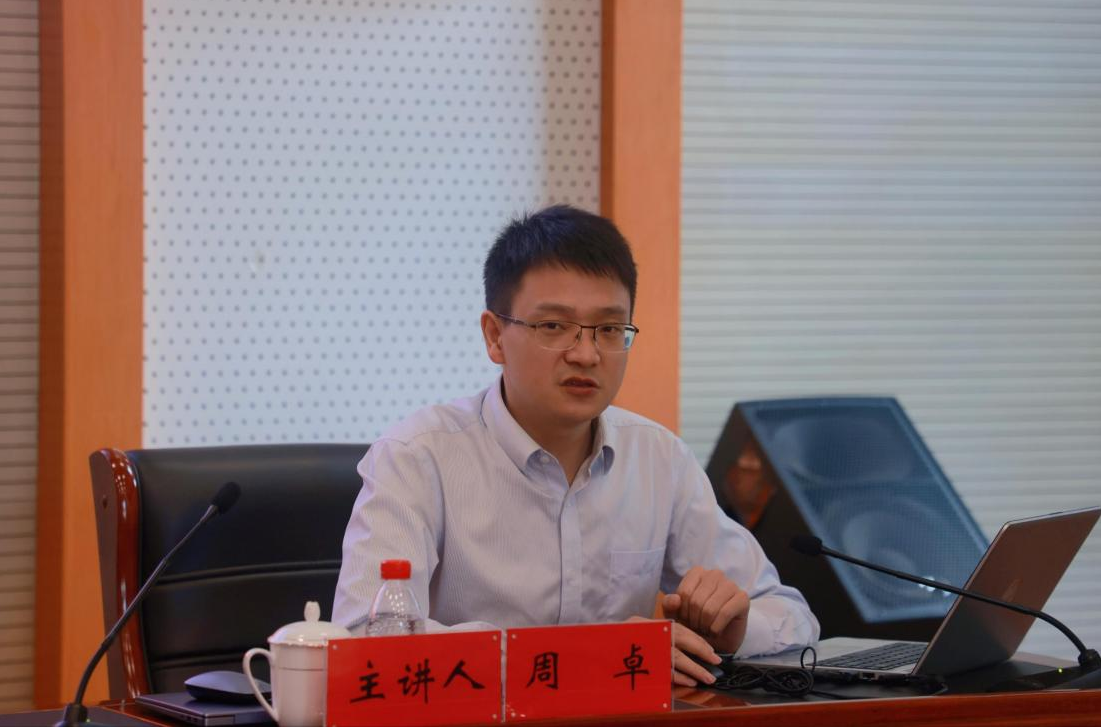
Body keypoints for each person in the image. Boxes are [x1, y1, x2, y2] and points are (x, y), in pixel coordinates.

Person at [333, 205, 818, 685]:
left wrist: (735, 631)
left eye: (609, 330)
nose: (586, 354)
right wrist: (587, 654)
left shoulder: (659, 458)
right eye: (553, 326)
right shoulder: (416, 457)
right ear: (495, 336)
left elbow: (790, 615)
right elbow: (364, 641)